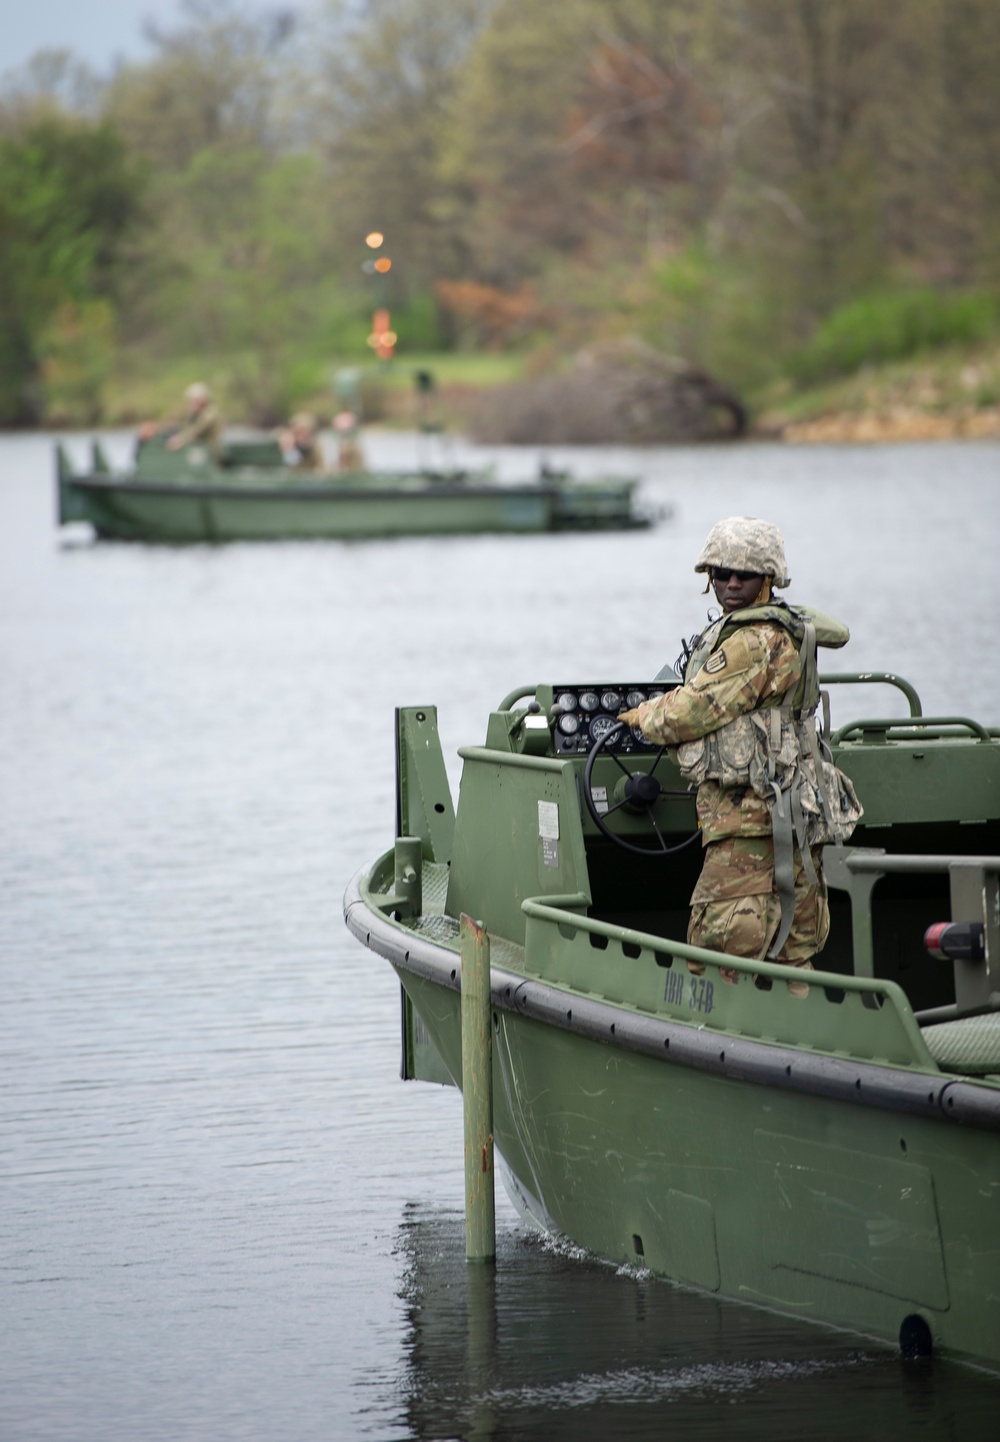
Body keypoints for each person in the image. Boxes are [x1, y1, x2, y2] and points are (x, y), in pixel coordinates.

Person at [617, 516, 862, 995]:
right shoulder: (784, 630)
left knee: (719, 960)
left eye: (744, 576)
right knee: (793, 961)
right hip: (791, 818)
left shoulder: (751, 641)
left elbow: (688, 712)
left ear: (767, 579)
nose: (730, 584)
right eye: (721, 573)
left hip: (748, 826)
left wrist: (640, 715)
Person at [140, 382, 222, 458]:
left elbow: (196, 430)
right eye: (193, 400)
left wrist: (179, 440)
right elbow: (178, 422)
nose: (194, 403)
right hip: (201, 452)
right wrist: (155, 428)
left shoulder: (210, 414)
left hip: (210, 455)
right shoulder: (195, 414)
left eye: (198, 400)